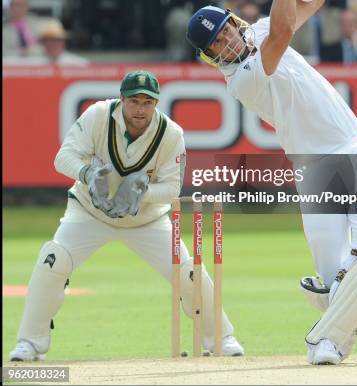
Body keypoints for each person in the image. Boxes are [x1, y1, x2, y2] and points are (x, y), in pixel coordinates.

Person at [186, 0, 357, 365]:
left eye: (227, 32)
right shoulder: (242, 80)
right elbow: (286, 30)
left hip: (356, 150)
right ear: (211, 57)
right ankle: (342, 330)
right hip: (314, 170)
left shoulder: (259, 29)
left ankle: (328, 335)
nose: (229, 42)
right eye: (217, 45)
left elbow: (317, 0)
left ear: (234, 22)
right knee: (333, 271)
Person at [9, 70, 243, 361]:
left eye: (148, 102)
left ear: (157, 103)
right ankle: (30, 343)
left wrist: (140, 194)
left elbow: (172, 187)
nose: (140, 109)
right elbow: (63, 157)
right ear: (122, 99)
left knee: (190, 270)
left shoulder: (171, 134)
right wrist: (87, 173)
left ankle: (221, 338)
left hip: (146, 220)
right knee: (52, 260)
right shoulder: (97, 116)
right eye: (134, 101)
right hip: (89, 212)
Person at [3, 19, 89, 65]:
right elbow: (10, 63)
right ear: (43, 43)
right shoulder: (35, 62)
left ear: (63, 42)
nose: (54, 44)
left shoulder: (75, 63)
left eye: (57, 40)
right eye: (50, 40)